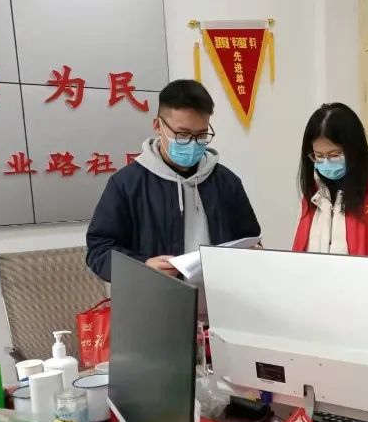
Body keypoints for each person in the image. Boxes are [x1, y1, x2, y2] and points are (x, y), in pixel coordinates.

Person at [86, 79, 261, 281]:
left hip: (220, 296)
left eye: (201, 135)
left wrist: (253, 254)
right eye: (182, 134)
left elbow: (249, 239)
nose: (193, 143)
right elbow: (99, 251)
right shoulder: (127, 184)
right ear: (157, 126)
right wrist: (143, 266)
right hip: (159, 296)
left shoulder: (227, 182)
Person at [292, 103, 368, 257]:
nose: (326, 162)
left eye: (334, 155)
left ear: (354, 150)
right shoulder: (312, 196)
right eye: (319, 155)